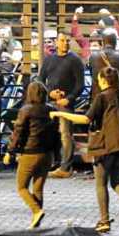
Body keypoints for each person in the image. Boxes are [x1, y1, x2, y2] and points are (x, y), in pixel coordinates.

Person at [50, 66, 119, 234]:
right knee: (116, 181)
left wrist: (61, 115)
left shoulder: (102, 97)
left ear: (102, 80)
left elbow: (86, 118)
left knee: (100, 184)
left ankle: (104, 220)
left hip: (104, 146)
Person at [5, 81, 58, 229]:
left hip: (30, 153)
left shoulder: (25, 110)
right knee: (38, 188)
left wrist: (10, 151)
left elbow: (18, 132)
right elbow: (56, 135)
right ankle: (36, 222)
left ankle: (36, 211)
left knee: (22, 187)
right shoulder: (51, 109)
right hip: (47, 155)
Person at [38, 32, 85, 178]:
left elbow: (80, 85)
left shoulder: (75, 60)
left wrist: (69, 99)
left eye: (67, 40)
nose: (65, 43)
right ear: (57, 42)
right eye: (62, 40)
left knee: (65, 134)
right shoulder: (49, 60)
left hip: (65, 104)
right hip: (50, 103)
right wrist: (50, 93)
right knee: (50, 134)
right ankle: (52, 163)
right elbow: (40, 79)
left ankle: (66, 167)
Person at [88, 28, 119, 101]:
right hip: (115, 100)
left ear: (102, 42)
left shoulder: (93, 57)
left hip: (97, 98)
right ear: (115, 42)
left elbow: (92, 75)